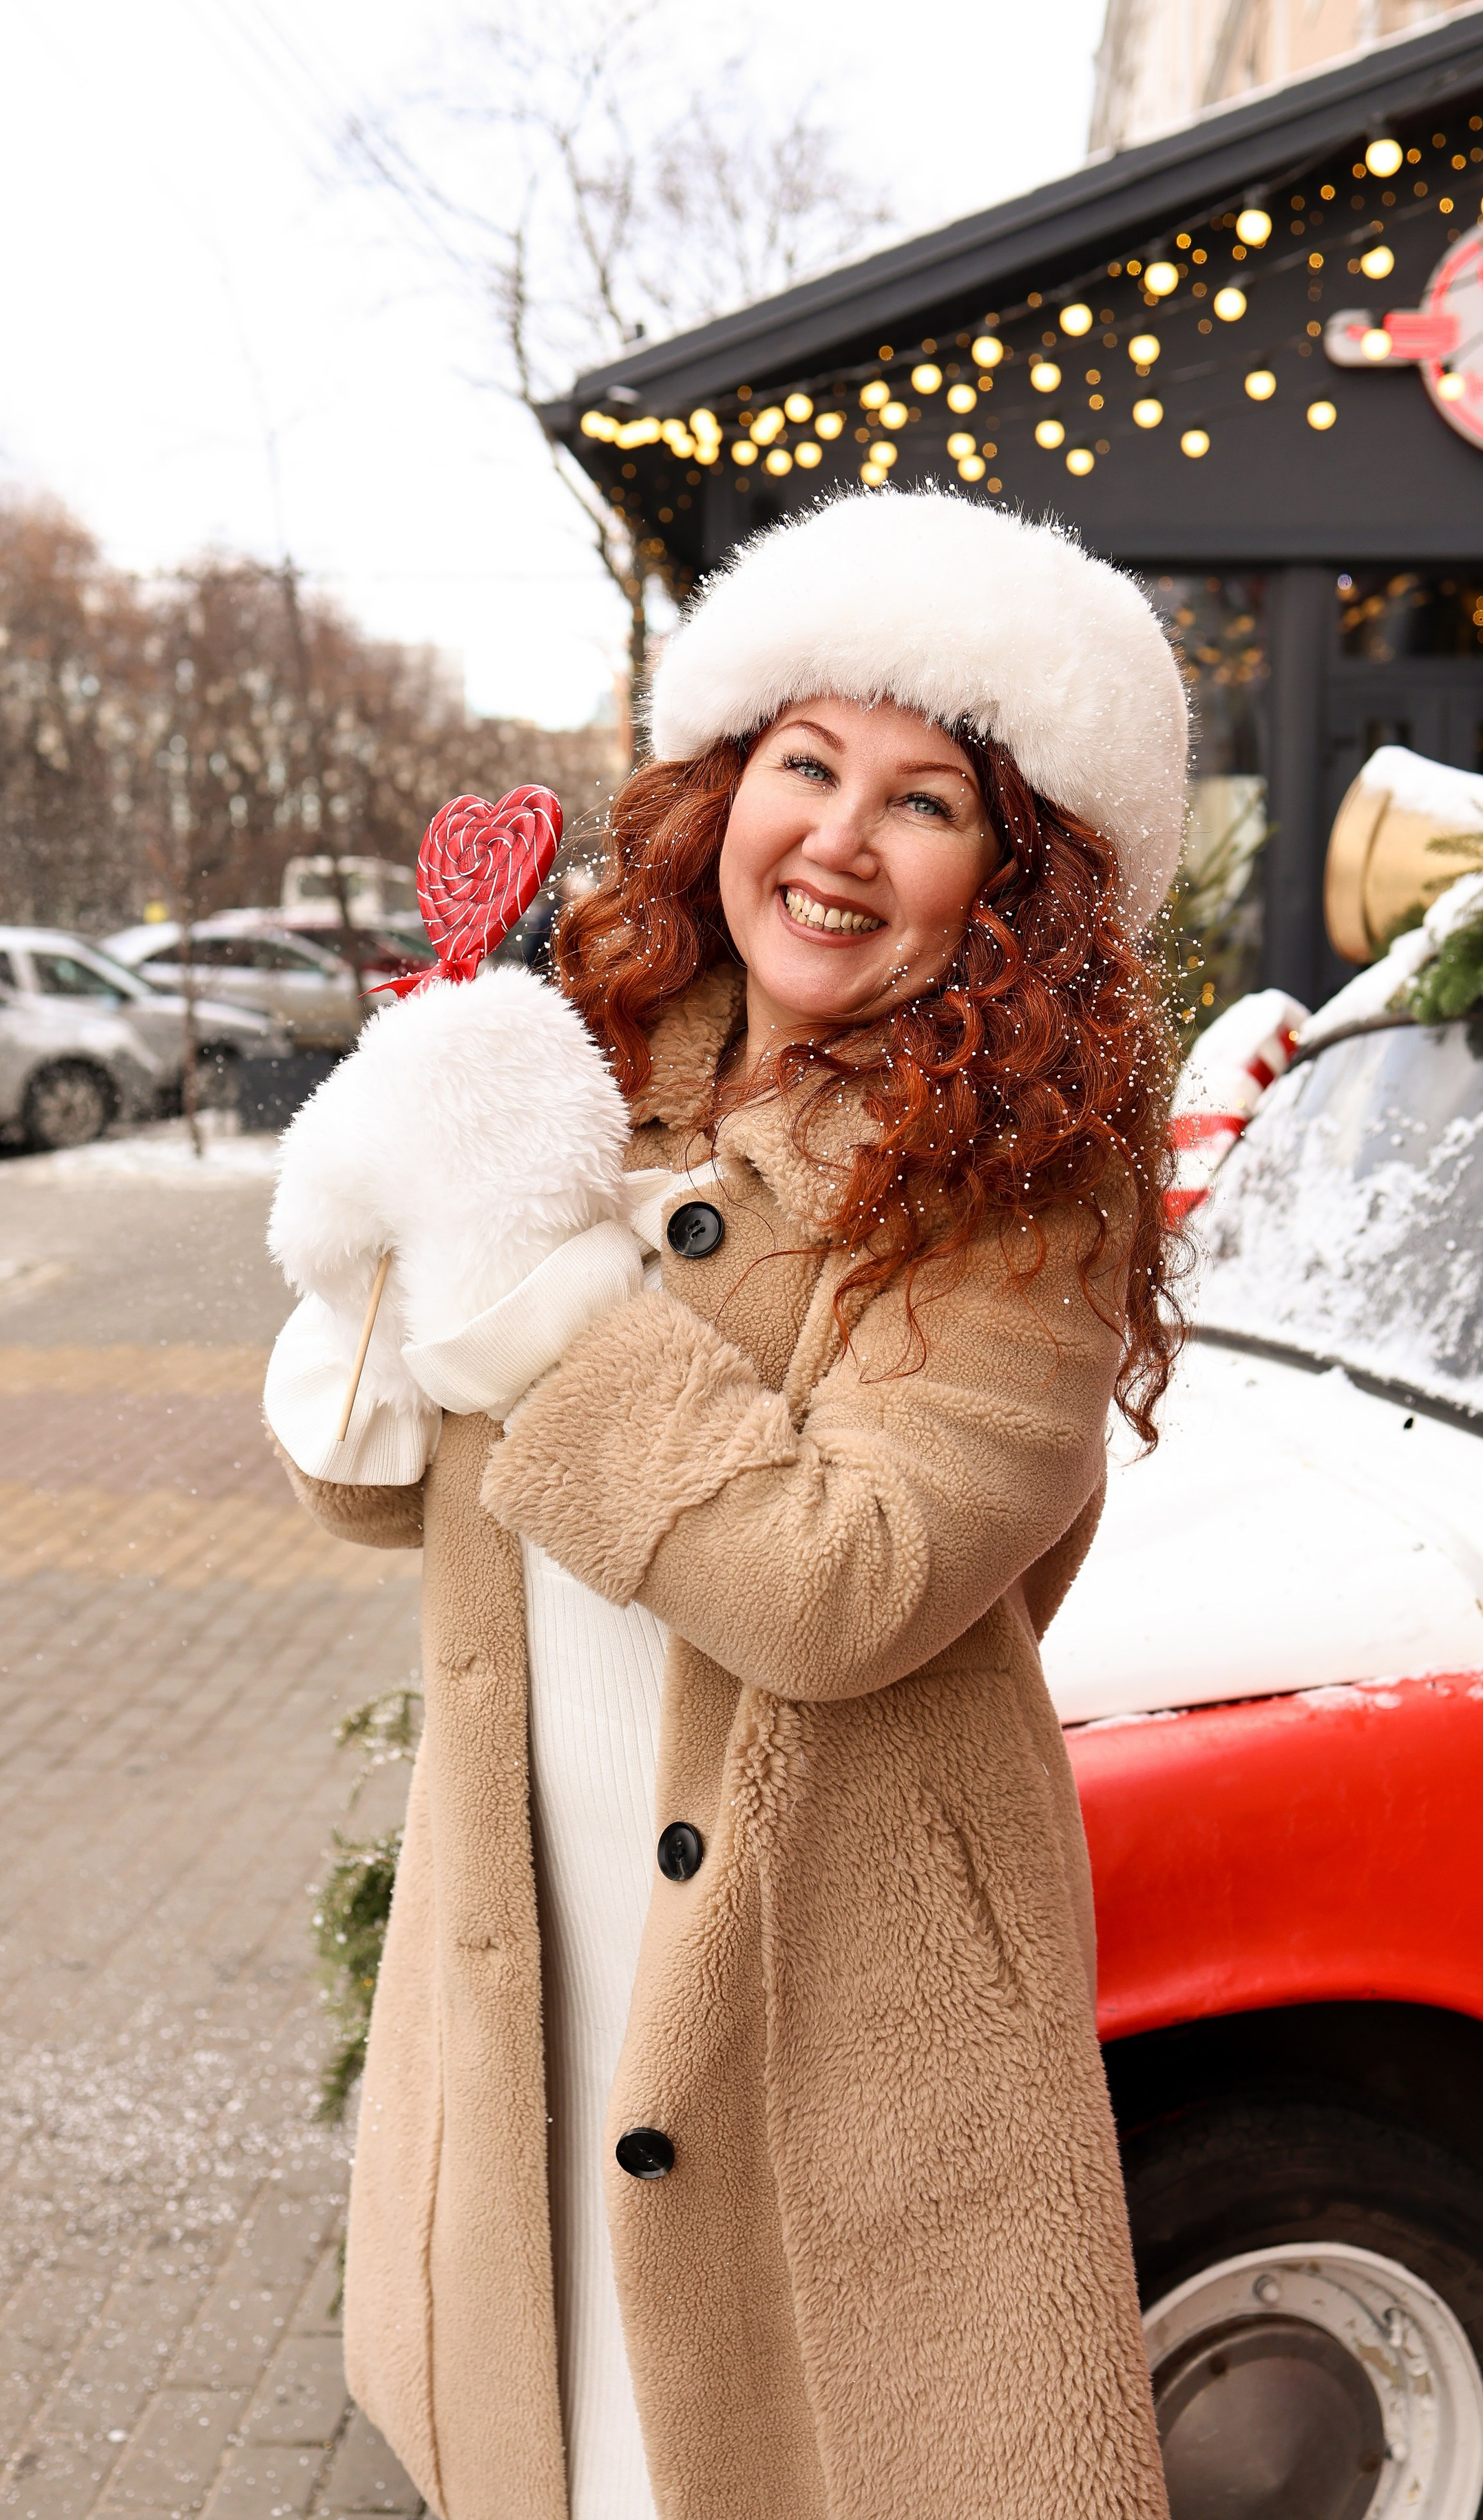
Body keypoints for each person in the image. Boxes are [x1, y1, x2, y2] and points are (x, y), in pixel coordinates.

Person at [263, 489, 1188, 2520]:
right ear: (724, 791)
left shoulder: (1026, 1189)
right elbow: (375, 1497)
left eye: (925, 800)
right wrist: (375, 1239)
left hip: (822, 1989)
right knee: (566, 2438)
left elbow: (845, 1584)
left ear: (1011, 882)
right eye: (806, 765)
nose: (841, 837)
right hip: (543, 1923)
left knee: (765, 2454)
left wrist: (532, 1286)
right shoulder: (587, 1071)